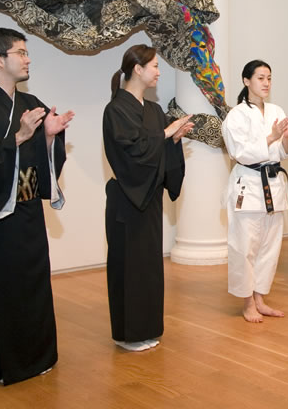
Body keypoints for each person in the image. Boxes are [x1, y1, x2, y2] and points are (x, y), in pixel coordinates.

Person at [0, 27, 75, 385]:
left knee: (34, 286)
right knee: (3, 290)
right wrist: (20, 136)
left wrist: (50, 135)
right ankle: (7, 366)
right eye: (20, 52)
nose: (27, 59)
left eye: (26, 53)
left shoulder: (30, 102)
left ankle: (39, 356)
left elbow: (40, 160)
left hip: (27, 214)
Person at [103, 44, 193, 352]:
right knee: (127, 267)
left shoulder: (153, 110)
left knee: (148, 268)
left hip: (149, 198)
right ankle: (126, 333)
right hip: (127, 200)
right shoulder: (115, 109)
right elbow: (131, 151)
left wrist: (173, 140)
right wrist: (166, 135)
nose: (158, 71)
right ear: (137, 69)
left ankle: (146, 328)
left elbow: (156, 148)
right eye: (154, 65)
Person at [222, 60, 288, 322]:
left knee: (270, 247)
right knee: (245, 246)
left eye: (269, 78)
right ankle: (247, 302)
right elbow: (240, 152)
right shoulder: (235, 115)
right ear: (246, 81)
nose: (266, 83)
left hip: (274, 184)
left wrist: (287, 136)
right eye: (260, 78)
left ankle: (260, 298)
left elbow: (283, 152)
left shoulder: (275, 110)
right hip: (248, 184)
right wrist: (271, 137)